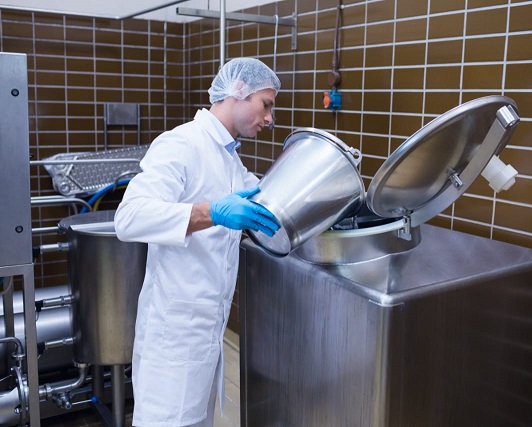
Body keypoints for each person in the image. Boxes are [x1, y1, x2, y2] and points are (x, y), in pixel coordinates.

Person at [114, 57, 281, 426]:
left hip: (205, 338)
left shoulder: (231, 162)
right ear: (239, 91)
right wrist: (211, 213)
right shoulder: (182, 143)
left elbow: (270, 199)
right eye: (266, 104)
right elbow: (129, 217)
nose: (270, 118)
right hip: (172, 340)